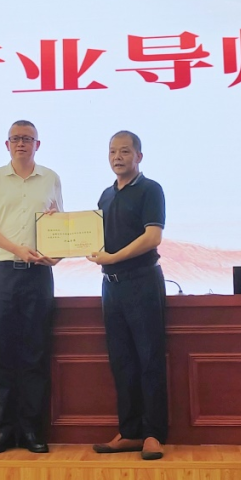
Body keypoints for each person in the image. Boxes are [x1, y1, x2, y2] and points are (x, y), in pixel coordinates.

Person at [0, 120, 63, 454]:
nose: (21, 143)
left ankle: (32, 431)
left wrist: (57, 255)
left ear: (38, 144)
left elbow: (58, 224)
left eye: (27, 139)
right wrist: (16, 249)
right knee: (2, 354)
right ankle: (5, 431)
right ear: (6, 145)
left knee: (35, 353)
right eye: (15, 139)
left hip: (38, 275)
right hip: (2, 274)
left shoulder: (51, 178)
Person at [87, 130, 169, 461]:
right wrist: (56, 225)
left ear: (139, 156)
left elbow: (153, 237)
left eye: (124, 151)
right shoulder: (106, 195)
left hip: (142, 282)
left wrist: (114, 257)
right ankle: (130, 431)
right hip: (111, 286)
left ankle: (153, 434)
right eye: (112, 152)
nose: (117, 157)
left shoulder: (151, 189)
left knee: (149, 359)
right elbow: (91, 236)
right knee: (122, 362)